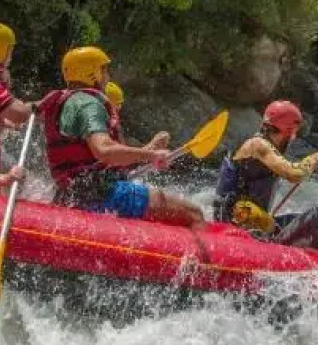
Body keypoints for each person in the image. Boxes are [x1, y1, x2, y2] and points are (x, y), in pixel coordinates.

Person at [35, 46, 205, 228]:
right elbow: (104, 151)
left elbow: (106, 159)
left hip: (71, 195)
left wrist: (148, 149)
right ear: (91, 73)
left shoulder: (68, 101)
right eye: (104, 69)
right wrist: (151, 155)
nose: (107, 76)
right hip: (103, 193)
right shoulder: (88, 104)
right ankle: (196, 257)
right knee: (194, 214)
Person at [213, 100, 318, 230]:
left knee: (308, 220)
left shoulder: (266, 146)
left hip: (248, 218)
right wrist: (313, 160)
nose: (293, 138)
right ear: (288, 130)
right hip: (235, 219)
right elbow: (294, 174)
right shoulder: (258, 145)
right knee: (307, 225)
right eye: (294, 133)